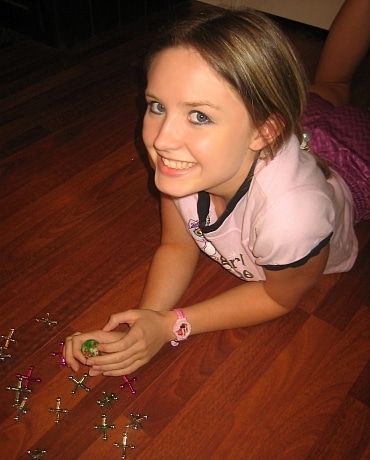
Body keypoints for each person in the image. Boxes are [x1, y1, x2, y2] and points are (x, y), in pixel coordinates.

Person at [64, 1, 369, 376]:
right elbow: (177, 244)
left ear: (264, 131)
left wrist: (173, 324)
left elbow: (279, 295)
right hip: (284, 134)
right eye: (157, 106)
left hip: (354, 164)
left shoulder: (293, 218)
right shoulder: (183, 162)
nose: (162, 140)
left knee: (334, 97)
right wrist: (147, 319)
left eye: (199, 116)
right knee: (323, 92)